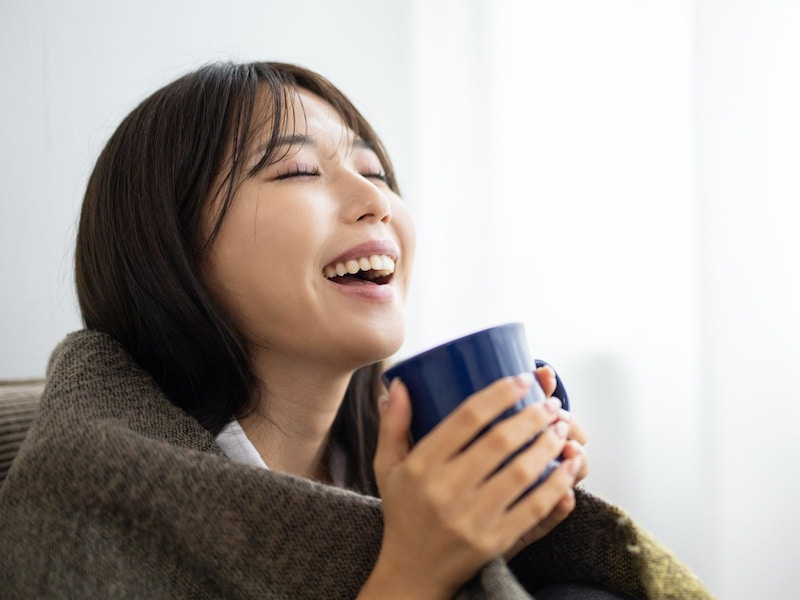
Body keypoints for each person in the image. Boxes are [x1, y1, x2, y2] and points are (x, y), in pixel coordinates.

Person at [0, 61, 712, 599]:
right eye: (297, 170)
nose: (375, 198)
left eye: (374, 170)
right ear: (170, 247)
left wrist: (504, 539)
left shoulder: (384, 457)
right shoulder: (90, 495)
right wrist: (412, 568)